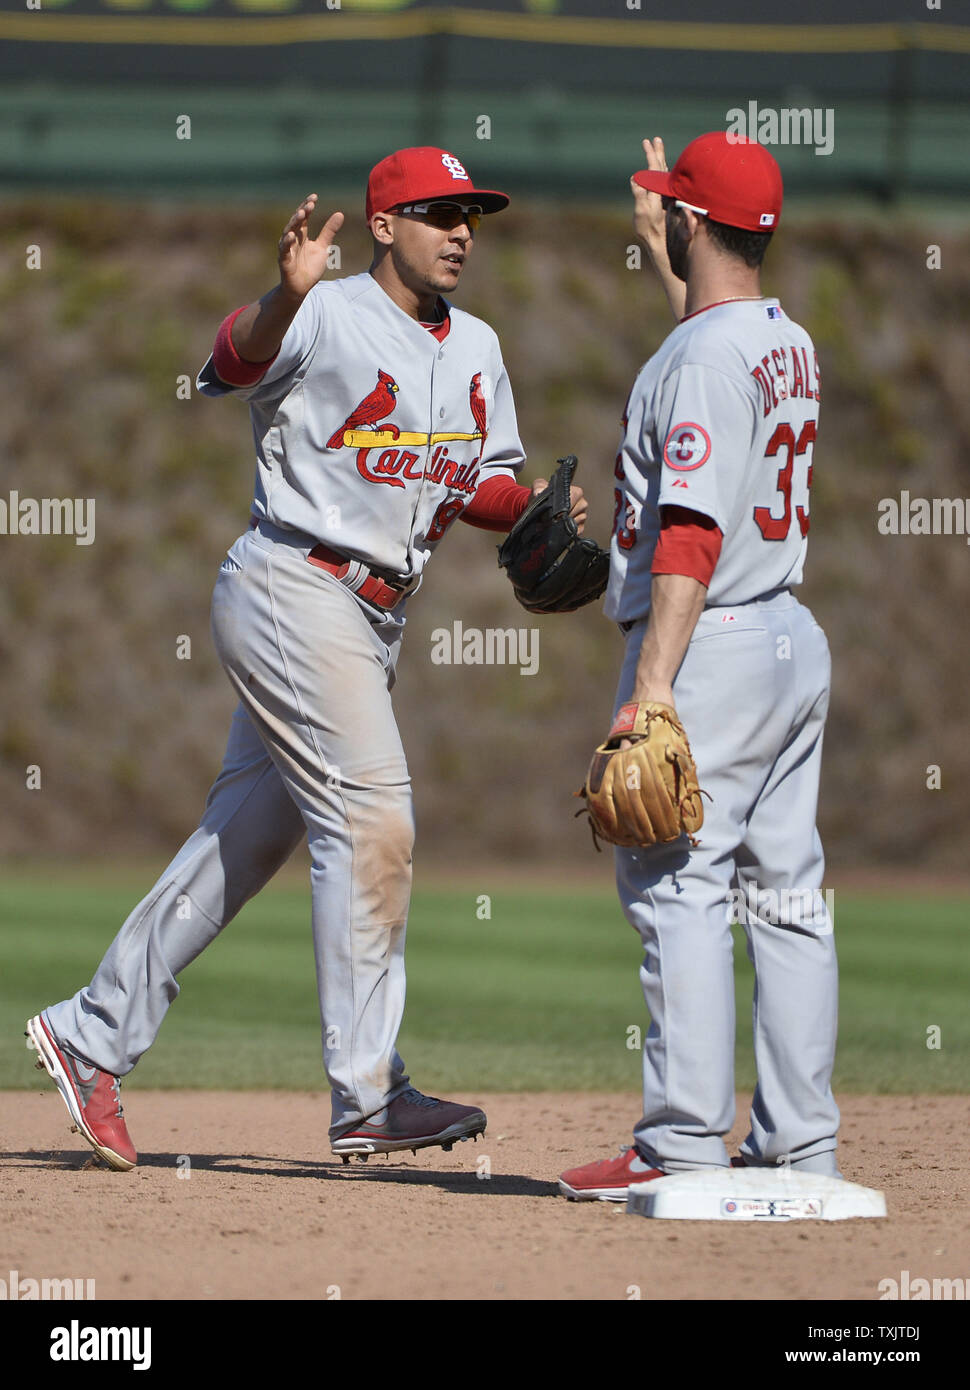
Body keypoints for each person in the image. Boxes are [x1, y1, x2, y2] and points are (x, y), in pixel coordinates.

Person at [27, 145, 586, 1171]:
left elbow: (473, 485)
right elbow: (231, 362)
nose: (461, 230)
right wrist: (281, 299)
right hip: (295, 581)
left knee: (239, 842)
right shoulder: (323, 313)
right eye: (436, 211)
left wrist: (541, 512)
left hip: (370, 621)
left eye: (471, 214)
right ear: (384, 224)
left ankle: (88, 1032)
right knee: (375, 815)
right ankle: (368, 1093)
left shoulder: (479, 348)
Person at [559, 132, 839, 1201]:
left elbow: (686, 528)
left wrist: (654, 688)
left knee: (676, 888)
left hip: (708, 637)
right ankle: (799, 1139)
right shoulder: (783, 339)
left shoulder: (701, 357)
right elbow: (711, 354)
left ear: (690, 219)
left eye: (673, 206)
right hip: (786, 638)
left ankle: (677, 1142)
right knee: (785, 894)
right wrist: (669, 259)